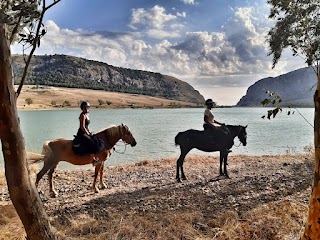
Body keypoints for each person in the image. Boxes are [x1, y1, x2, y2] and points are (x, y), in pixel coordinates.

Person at [76, 101, 101, 165]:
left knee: (96, 140)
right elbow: (82, 127)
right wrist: (88, 134)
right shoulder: (82, 115)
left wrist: (89, 132)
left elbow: (87, 126)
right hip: (82, 133)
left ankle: (95, 157)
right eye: (86, 107)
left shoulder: (87, 115)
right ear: (83, 108)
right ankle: (93, 160)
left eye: (88, 107)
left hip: (86, 132)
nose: (87, 109)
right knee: (92, 143)